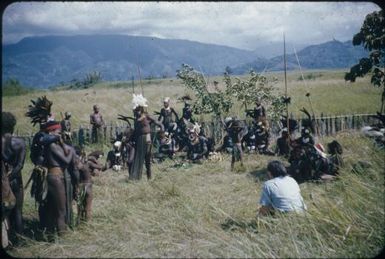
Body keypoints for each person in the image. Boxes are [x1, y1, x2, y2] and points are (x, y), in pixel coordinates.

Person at [43, 120, 77, 235]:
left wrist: (62, 143)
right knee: (61, 210)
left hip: (56, 177)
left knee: (58, 208)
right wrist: (72, 151)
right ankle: (63, 235)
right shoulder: (52, 146)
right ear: (52, 132)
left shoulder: (54, 144)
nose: (61, 133)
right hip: (56, 177)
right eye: (59, 131)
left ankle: (55, 232)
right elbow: (66, 160)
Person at [1, 112, 26, 238]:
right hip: (16, 180)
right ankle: (20, 239)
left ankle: (7, 239)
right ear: (12, 125)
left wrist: (5, 179)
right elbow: (20, 165)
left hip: (2, 181)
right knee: (17, 212)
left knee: (3, 211)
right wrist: (10, 176)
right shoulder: (20, 142)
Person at [130, 94, 164, 180]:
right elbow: (136, 131)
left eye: (137, 110)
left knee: (147, 157)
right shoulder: (136, 119)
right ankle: (137, 177)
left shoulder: (145, 115)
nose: (136, 111)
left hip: (146, 138)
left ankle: (149, 176)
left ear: (141, 109)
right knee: (139, 158)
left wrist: (161, 127)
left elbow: (156, 121)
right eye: (135, 110)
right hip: (139, 139)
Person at [74, 147, 93, 222]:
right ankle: (87, 224)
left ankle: (79, 224)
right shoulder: (86, 163)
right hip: (89, 186)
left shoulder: (78, 164)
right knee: (88, 208)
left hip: (81, 186)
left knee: (80, 209)